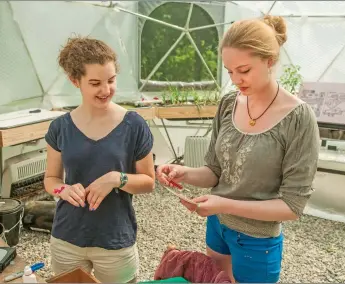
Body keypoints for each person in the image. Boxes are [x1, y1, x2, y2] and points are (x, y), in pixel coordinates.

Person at [156, 15, 320, 283]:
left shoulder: (298, 118)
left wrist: (224, 203)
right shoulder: (229, 104)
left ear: (269, 60)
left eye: (243, 70)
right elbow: (215, 171)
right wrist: (183, 173)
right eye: (229, 71)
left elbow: (292, 206)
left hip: (257, 240)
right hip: (217, 226)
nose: (235, 80)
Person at [43, 36, 155, 283]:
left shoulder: (134, 125)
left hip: (115, 239)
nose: (106, 90)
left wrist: (117, 178)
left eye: (111, 80)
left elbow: (149, 182)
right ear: (75, 81)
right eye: (95, 83)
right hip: (67, 238)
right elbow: (51, 179)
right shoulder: (60, 128)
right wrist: (63, 189)